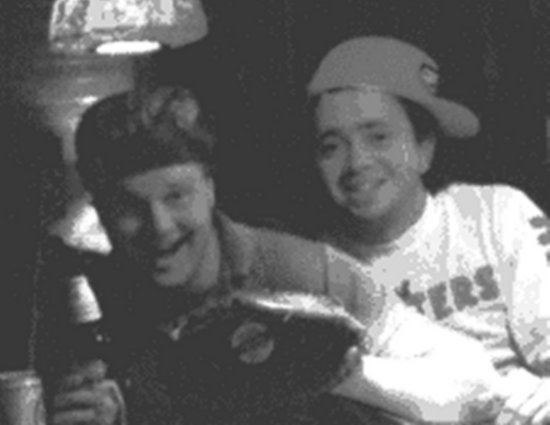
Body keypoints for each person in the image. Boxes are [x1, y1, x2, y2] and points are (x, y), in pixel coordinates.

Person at [42, 84, 504, 425]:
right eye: (129, 207)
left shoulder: (303, 270)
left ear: (210, 187)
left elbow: (478, 389)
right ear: (100, 210)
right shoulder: (85, 309)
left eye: (177, 196)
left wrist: (335, 371)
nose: (159, 226)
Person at [305, 36, 550, 425]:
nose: (356, 162)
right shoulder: (310, 273)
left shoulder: (496, 216)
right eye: (331, 146)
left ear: (424, 148)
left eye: (378, 136)